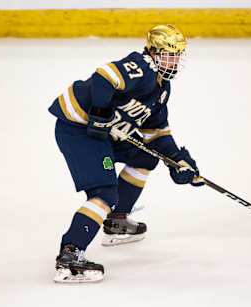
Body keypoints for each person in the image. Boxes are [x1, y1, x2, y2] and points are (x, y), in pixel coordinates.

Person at [48, 24, 204, 283]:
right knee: (104, 193)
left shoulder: (162, 88)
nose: (174, 61)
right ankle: (70, 255)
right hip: (78, 129)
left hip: (103, 131)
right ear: (153, 53)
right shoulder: (140, 67)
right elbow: (104, 76)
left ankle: (117, 220)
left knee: (145, 156)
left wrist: (178, 159)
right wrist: (99, 114)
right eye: (169, 55)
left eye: (177, 55)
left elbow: (155, 132)